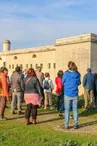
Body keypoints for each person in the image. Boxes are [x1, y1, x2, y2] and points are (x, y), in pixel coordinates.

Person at [61, 61, 81, 129]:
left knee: (67, 110)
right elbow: (78, 83)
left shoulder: (66, 74)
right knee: (75, 110)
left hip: (67, 93)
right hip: (75, 93)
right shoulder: (77, 74)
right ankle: (76, 124)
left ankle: (66, 125)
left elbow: (62, 82)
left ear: (68, 66)